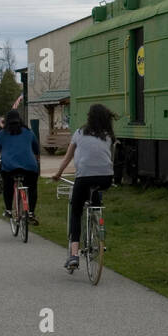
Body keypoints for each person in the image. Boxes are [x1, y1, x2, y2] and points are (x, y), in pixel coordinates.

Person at [52, 103, 116, 272]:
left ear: (89, 117)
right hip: (105, 179)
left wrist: (58, 174)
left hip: (84, 177)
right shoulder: (108, 135)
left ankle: (74, 254)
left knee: (76, 211)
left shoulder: (80, 133)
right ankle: (97, 219)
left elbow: (67, 158)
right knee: (95, 197)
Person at [0, 108, 41, 224]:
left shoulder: (2, 134)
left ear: (7, 121)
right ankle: (31, 213)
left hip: (9, 168)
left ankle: (8, 210)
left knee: (8, 186)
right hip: (30, 167)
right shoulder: (29, 132)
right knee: (32, 188)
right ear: (20, 119)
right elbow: (36, 149)